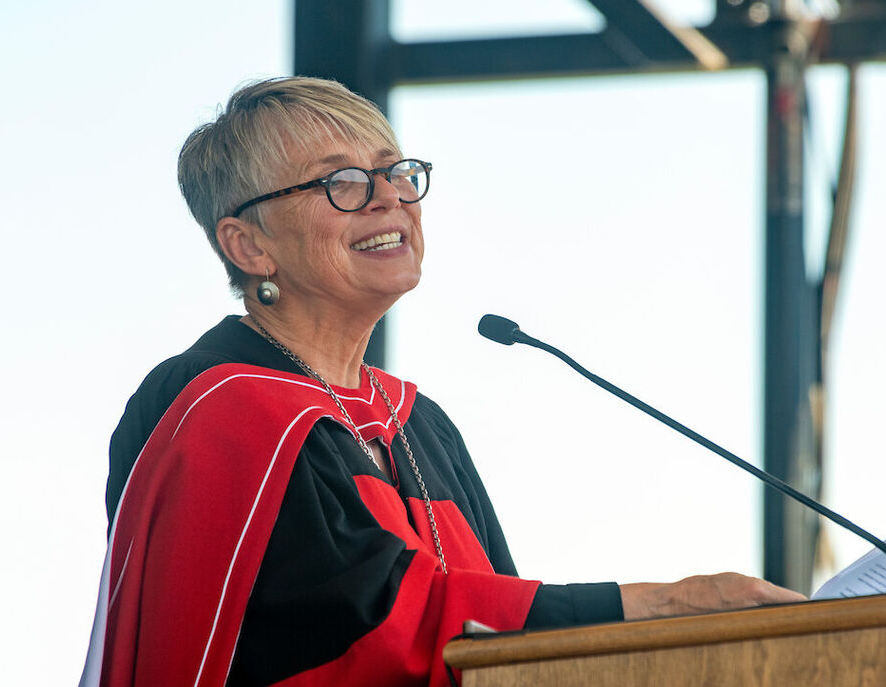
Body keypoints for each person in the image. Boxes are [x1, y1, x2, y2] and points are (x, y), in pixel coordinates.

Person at [80, 76, 803, 687]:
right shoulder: (215, 409)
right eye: (341, 182)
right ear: (250, 244)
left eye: (396, 172)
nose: (387, 198)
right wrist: (669, 604)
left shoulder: (417, 423)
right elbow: (376, 630)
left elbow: (513, 644)